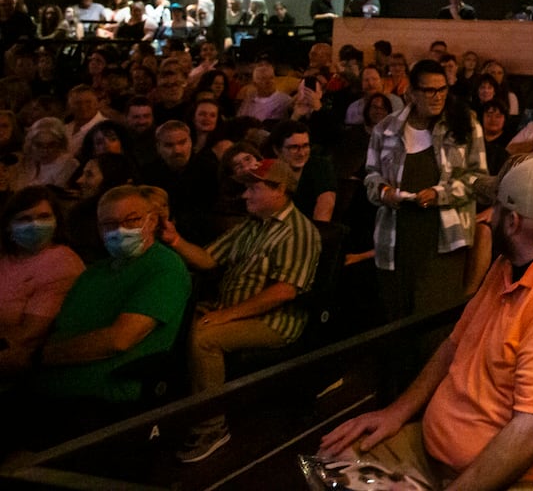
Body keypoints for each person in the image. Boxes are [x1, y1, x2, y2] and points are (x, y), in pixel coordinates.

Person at [320, 158, 533, 489]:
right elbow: (455, 345)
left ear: (512, 221)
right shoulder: (514, 261)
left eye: (493, 209)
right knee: (332, 461)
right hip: (435, 450)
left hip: (512, 477)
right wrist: (396, 413)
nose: (485, 217)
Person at [162, 157, 321, 462]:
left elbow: (284, 291)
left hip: (275, 321)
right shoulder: (252, 225)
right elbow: (209, 259)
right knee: (174, 323)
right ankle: (180, 406)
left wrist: (226, 315)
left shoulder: (298, 231)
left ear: (280, 190)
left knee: (203, 338)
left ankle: (212, 426)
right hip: (233, 307)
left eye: (253, 188)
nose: (245, 195)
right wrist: (175, 240)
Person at [36, 185, 193, 406]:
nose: (120, 230)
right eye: (109, 224)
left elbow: (120, 339)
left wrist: (38, 357)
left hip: (100, 393)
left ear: (152, 221)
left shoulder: (164, 267)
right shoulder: (94, 273)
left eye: (132, 220)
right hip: (46, 384)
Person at [364, 60, 487, 325]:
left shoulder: (464, 124)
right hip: (396, 236)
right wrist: (383, 191)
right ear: (411, 92)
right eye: (429, 91)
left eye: (442, 89)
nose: (437, 96)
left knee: (432, 319)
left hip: (444, 236)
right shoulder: (386, 129)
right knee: (397, 317)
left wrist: (439, 193)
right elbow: (371, 175)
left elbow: (478, 178)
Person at [0, 187, 86, 376]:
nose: (35, 225)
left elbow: (29, 335)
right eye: (24, 219)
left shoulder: (60, 264)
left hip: (18, 363)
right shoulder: (8, 257)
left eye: (44, 217)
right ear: (8, 225)